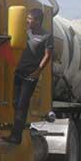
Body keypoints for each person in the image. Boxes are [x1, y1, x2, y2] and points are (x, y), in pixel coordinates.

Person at [4, 8, 53, 144]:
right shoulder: (26, 32)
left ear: (37, 21)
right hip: (19, 71)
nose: (27, 20)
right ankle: (21, 128)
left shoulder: (46, 36)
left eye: (30, 18)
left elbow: (47, 55)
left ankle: (16, 136)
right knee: (15, 103)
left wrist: (38, 71)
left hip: (31, 74)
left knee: (22, 104)